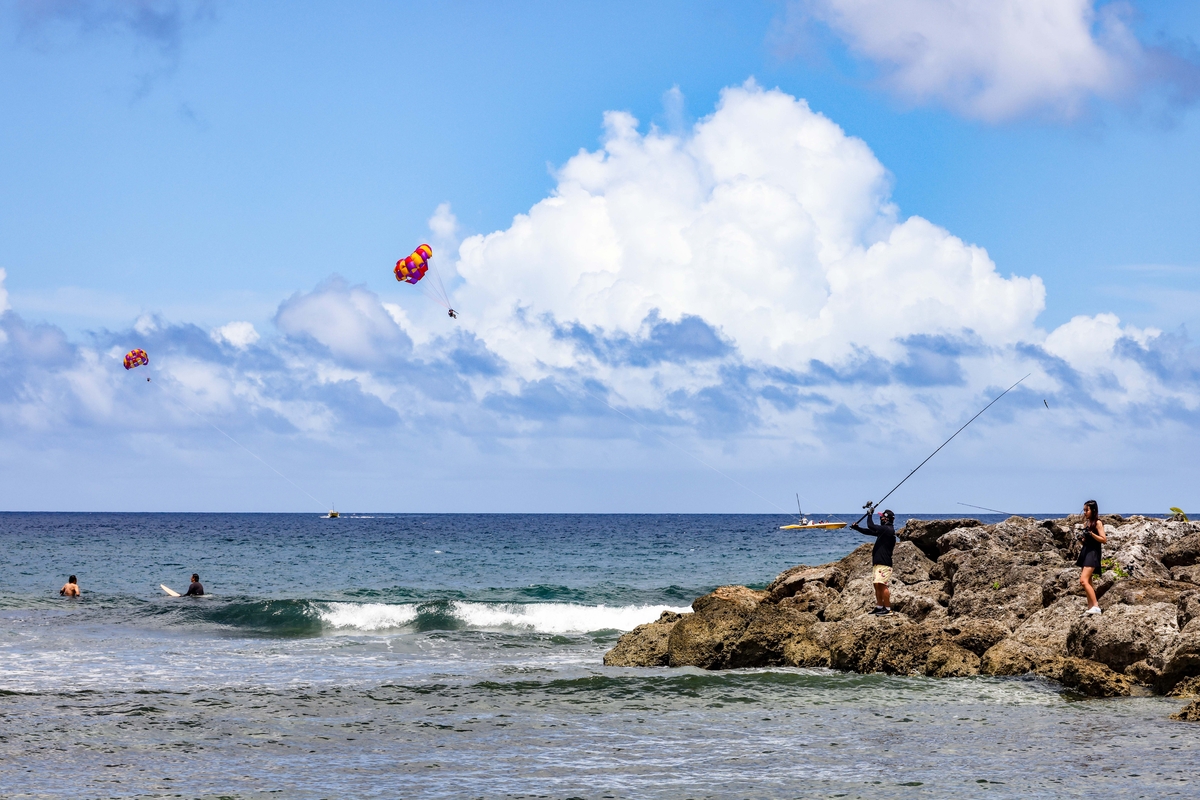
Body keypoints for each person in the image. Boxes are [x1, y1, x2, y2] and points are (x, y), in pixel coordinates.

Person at [851, 507, 896, 615]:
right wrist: (857, 528)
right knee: (877, 585)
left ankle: (888, 609)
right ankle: (879, 607)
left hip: (884, 564)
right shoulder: (884, 531)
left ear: (887, 519)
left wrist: (870, 514)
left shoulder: (888, 529)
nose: (880, 519)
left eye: (882, 517)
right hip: (878, 563)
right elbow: (869, 531)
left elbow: (871, 525)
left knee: (882, 584)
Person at [1077, 499, 1107, 615]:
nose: (1085, 512)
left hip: (1093, 554)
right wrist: (1082, 539)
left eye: (1087, 510)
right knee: (1088, 581)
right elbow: (1086, 541)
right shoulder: (1086, 524)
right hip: (1086, 552)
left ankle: (1096, 606)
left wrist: (1091, 534)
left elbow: (1104, 540)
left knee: (1083, 581)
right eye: (1084, 510)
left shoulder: (1098, 523)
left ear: (1093, 510)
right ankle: (1090, 607)